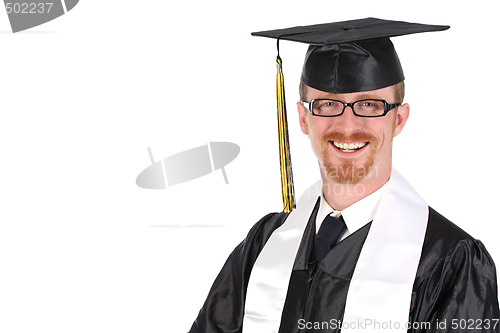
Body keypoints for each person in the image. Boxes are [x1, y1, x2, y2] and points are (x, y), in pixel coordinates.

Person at [188, 18, 500, 333]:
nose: (348, 126)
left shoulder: (450, 260)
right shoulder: (265, 242)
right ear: (302, 118)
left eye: (369, 105)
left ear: (399, 119)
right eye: (326, 105)